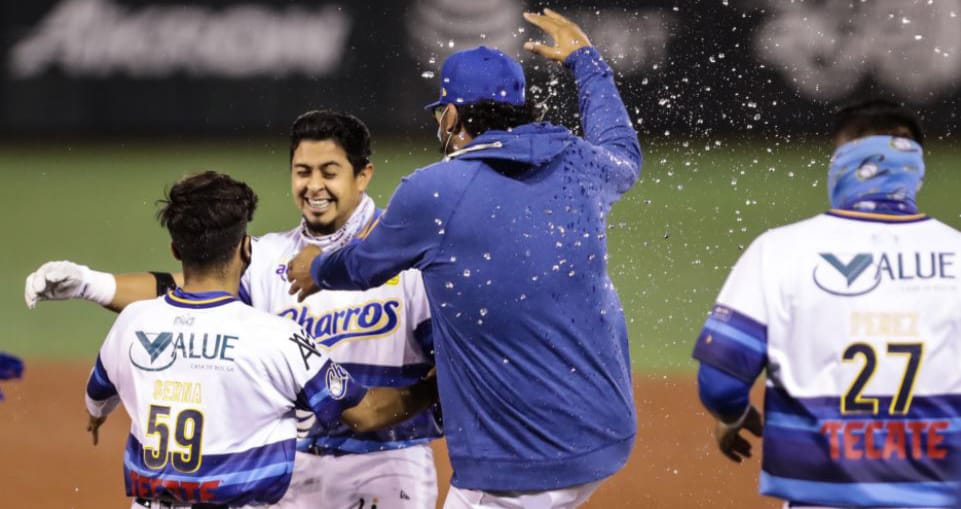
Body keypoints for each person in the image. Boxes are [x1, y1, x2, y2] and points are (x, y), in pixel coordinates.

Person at [287, 9, 641, 509]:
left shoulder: (435, 191)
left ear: (451, 117)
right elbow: (624, 149)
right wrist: (586, 61)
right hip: (606, 436)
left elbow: (362, 266)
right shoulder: (582, 165)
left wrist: (316, 269)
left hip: (514, 470)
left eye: (440, 113)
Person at [27, 111, 441, 509]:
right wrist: (89, 283)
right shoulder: (266, 255)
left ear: (363, 175)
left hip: (387, 462)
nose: (314, 186)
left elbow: (452, 355)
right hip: (296, 465)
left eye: (329, 172)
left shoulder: (404, 257)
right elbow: (183, 289)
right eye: (302, 172)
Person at [692, 99, 961, 508]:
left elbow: (720, 382)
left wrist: (731, 416)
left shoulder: (779, 251)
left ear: (846, 162)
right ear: (915, 170)